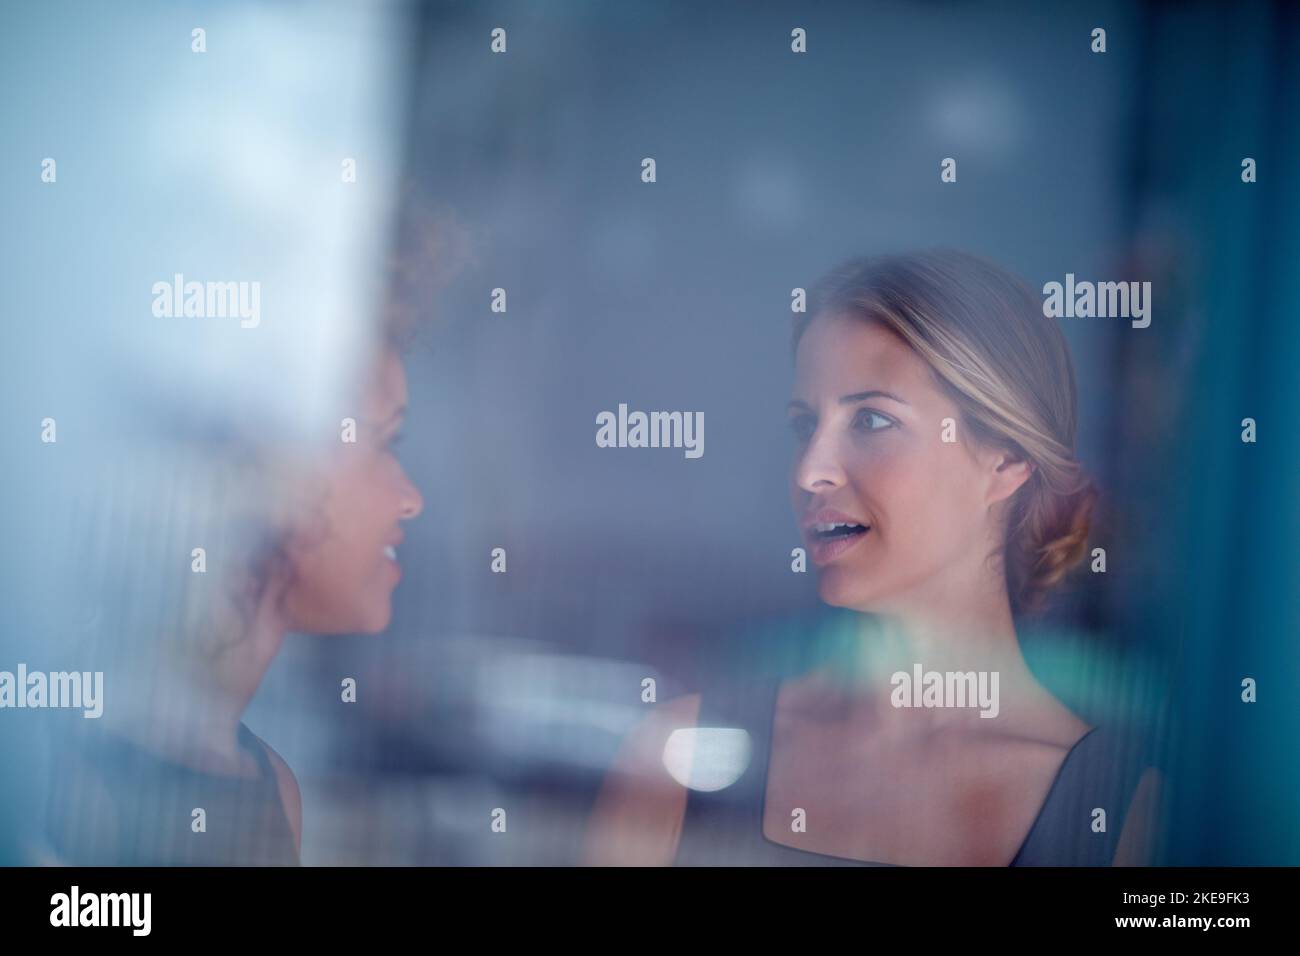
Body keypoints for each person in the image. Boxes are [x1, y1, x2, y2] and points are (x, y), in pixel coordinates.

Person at [584, 250, 1164, 866]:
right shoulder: (684, 753)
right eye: (805, 426)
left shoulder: (1123, 808)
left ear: (1006, 459)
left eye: (871, 419)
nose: (811, 472)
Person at [39, 341, 423, 865]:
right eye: (384, 444)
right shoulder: (57, 777)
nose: (411, 499)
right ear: (278, 471)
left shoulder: (272, 788)